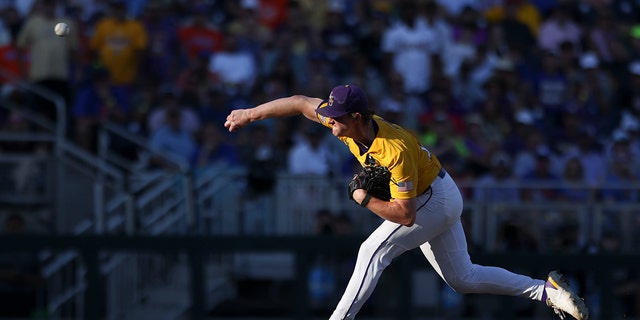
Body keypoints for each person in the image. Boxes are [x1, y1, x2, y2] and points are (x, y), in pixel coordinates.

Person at [224, 84, 589, 320]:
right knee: (463, 277)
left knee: (372, 251)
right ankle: (546, 292)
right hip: (440, 192)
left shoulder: (393, 149)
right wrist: (249, 114)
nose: (329, 122)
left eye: (336, 118)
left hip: (432, 200)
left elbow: (406, 215)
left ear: (356, 118)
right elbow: (300, 102)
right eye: (330, 115)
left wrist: (363, 197)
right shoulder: (348, 124)